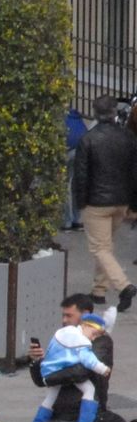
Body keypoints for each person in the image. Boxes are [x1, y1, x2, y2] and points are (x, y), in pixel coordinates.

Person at [72, 96, 137, 312]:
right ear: (114, 111)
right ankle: (99, 291)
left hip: (96, 202)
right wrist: (133, 203)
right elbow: (134, 172)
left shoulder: (88, 139)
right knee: (106, 246)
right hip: (121, 200)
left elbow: (80, 175)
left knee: (100, 248)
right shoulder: (128, 137)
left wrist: (80, 203)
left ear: (95, 112)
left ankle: (124, 286)